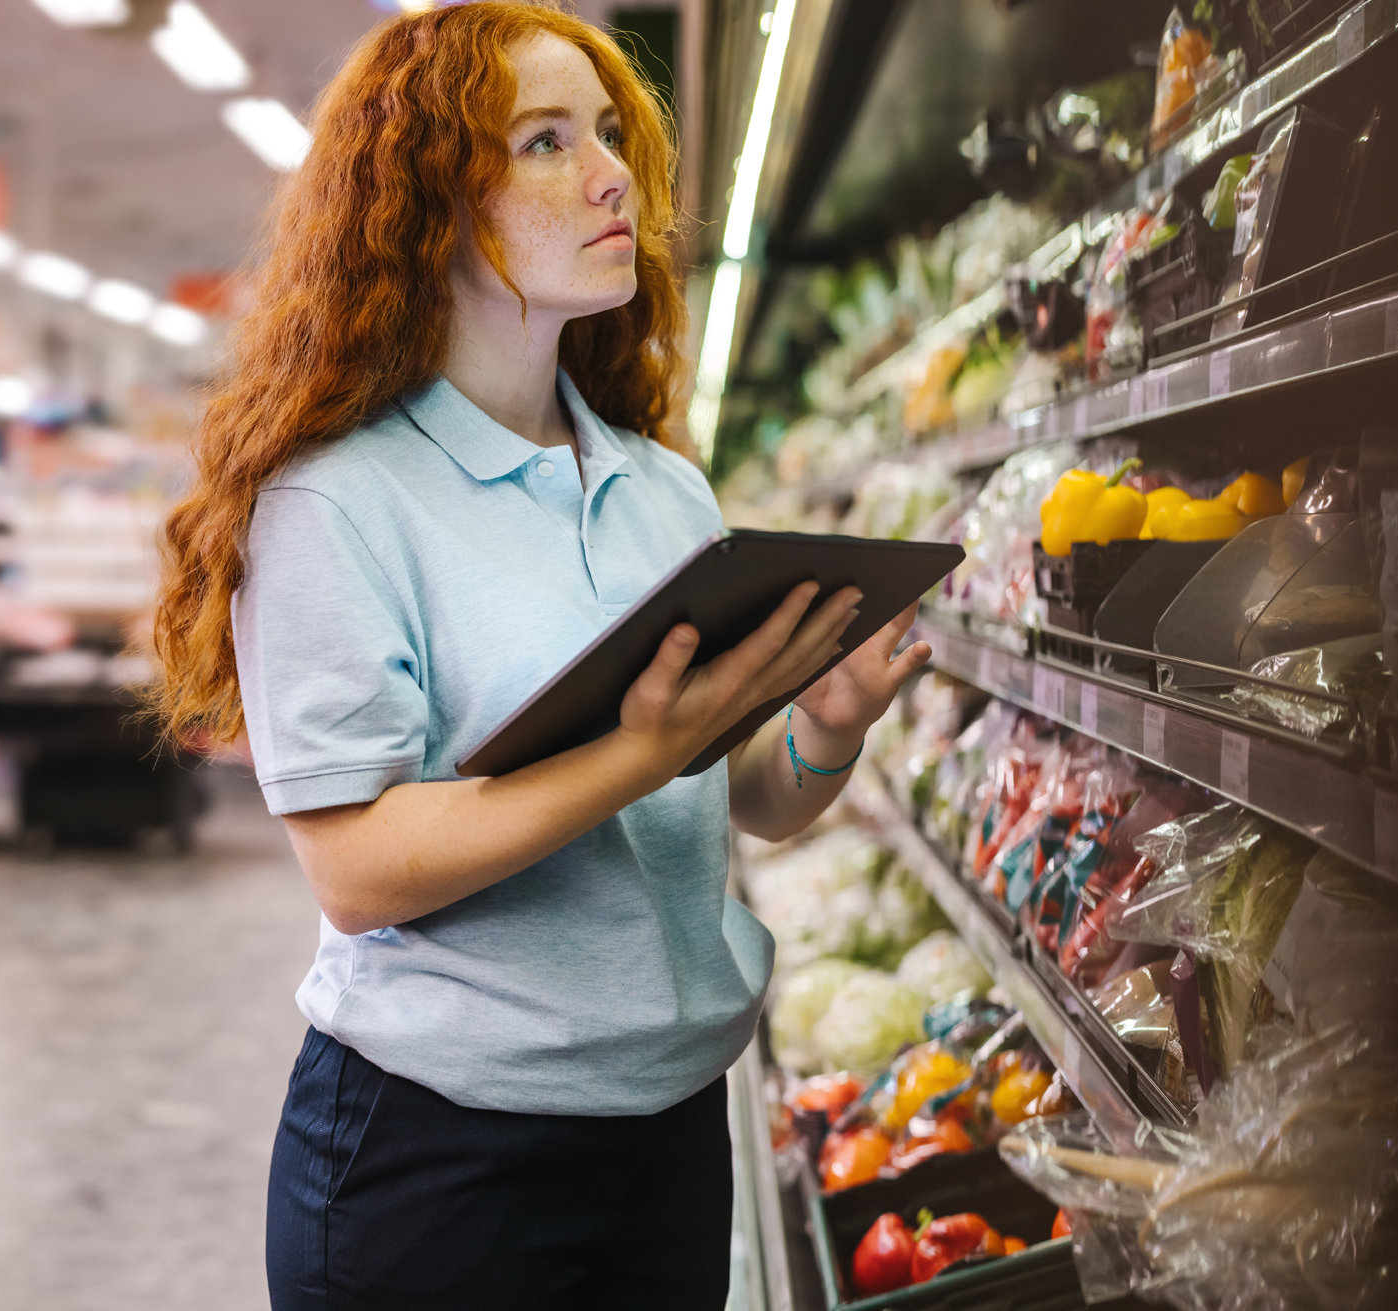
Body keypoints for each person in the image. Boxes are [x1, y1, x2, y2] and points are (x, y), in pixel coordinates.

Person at [153, 3, 929, 1306]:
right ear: (426, 201)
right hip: (442, 1162)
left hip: (669, 1131)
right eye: (544, 141)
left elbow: (743, 792)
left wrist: (825, 722)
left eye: (610, 133)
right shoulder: (334, 502)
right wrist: (641, 753)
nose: (610, 172)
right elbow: (354, 868)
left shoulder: (663, 489)